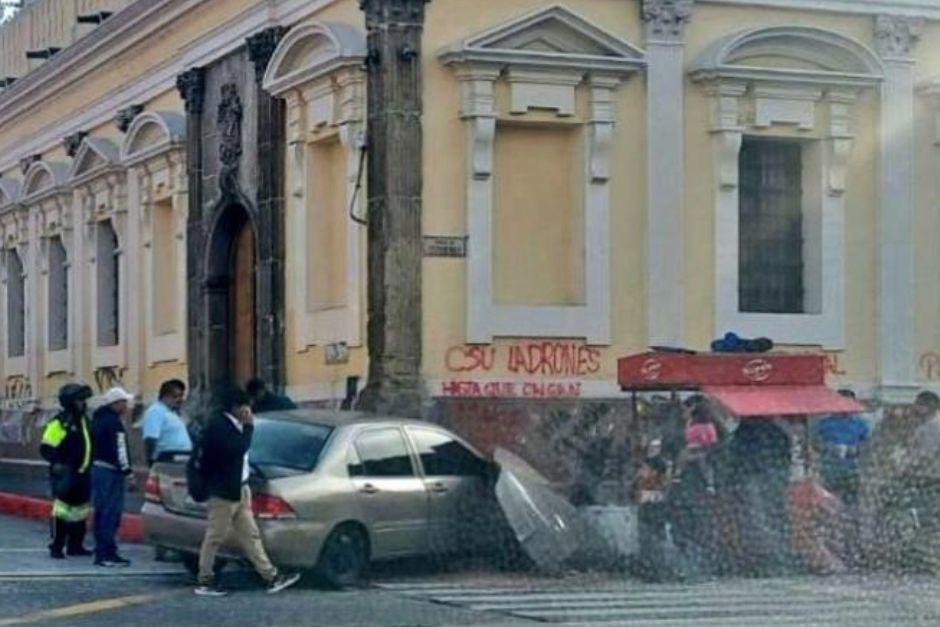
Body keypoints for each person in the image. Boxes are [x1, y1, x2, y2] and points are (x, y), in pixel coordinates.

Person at [194, 387, 301, 596]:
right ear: (235, 407)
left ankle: (270, 576)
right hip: (224, 490)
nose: (249, 410)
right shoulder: (221, 426)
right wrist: (249, 428)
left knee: (250, 534)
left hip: (240, 488)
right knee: (215, 536)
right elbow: (236, 450)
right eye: (246, 406)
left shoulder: (232, 425)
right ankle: (205, 580)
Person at [40, 383, 94, 559]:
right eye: (80, 400)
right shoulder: (60, 422)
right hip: (66, 475)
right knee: (62, 512)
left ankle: (75, 545)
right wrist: (60, 465)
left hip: (83, 473)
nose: (83, 403)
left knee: (80, 512)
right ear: (70, 401)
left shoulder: (85, 420)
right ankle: (56, 546)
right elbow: (47, 447)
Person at [91, 387, 135, 567]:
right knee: (111, 512)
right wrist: (128, 473)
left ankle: (102, 550)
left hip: (98, 469)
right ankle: (107, 553)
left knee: (101, 512)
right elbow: (120, 449)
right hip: (111, 472)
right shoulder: (114, 423)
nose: (127, 405)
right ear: (116, 404)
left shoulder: (97, 420)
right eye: (124, 402)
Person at [142, 379, 191, 466]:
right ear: (165, 396)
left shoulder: (173, 412)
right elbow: (150, 439)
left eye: (181, 396)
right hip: (166, 460)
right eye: (175, 396)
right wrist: (151, 462)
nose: (180, 399)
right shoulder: (155, 411)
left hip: (180, 459)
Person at [683, 405, 719, 494]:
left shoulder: (708, 426)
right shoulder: (691, 424)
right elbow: (687, 437)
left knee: (705, 465)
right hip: (692, 448)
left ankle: (710, 484)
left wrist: (709, 451)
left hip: (703, 449)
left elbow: (712, 441)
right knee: (683, 458)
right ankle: (678, 476)